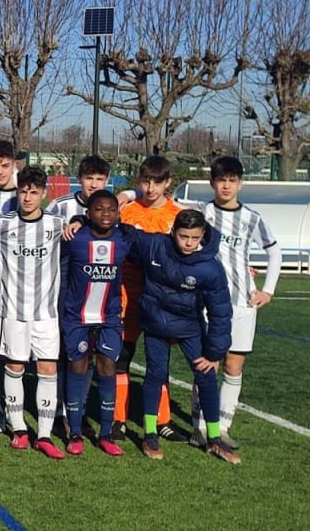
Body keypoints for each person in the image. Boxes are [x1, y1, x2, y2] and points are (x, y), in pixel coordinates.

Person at [181, 156, 281, 448]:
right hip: (205, 302)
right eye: (221, 180)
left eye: (232, 180)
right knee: (204, 365)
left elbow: (274, 252)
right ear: (212, 182)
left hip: (242, 303)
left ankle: (222, 426)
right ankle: (199, 427)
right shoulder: (200, 212)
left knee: (233, 366)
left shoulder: (252, 218)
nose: (226, 186)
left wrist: (268, 290)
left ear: (240, 183)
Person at [134, 209, 237, 463]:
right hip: (155, 323)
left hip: (189, 326)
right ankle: (149, 434)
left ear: (203, 235)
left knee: (206, 375)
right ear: (173, 232)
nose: (189, 243)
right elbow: (123, 234)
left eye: (194, 237)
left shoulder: (210, 268)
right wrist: (82, 221)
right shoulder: (155, 245)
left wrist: (214, 352)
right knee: (156, 375)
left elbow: (221, 312)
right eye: (183, 236)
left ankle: (213, 439)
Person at [0, 166, 67, 459]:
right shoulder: (2, 225)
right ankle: (18, 429)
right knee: (14, 366)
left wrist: (78, 222)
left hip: (46, 314)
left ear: (43, 194)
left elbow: (86, 222)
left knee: (48, 369)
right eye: (23, 191)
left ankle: (43, 434)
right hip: (13, 312)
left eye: (33, 192)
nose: (27, 197)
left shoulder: (57, 224)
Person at [113, 155, 180, 441]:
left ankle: (163, 420)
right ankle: (118, 419)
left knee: (158, 363)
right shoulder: (126, 210)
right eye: (145, 181)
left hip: (161, 300)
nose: (150, 188)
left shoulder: (178, 215)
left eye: (157, 182)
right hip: (127, 295)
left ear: (168, 183)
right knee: (122, 357)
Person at [59, 190, 130, 456]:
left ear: (118, 213)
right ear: (88, 214)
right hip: (76, 317)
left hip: (109, 317)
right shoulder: (75, 238)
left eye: (111, 209)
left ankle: (106, 432)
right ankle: (75, 431)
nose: (106, 214)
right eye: (99, 209)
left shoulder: (124, 239)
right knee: (77, 366)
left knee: (107, 366)